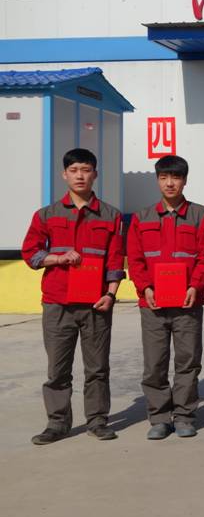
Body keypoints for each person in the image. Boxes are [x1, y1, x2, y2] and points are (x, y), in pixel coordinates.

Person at [22, 148, 125, 445]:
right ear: (64, 174)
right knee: (57, 368)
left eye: (86, 170)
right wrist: (57, 258)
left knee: (97, 368)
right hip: (58, 302)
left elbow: (115, 261)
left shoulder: (111, 215)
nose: (80, 176)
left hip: (96, 303)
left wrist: (110, 295)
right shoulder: (47, 215)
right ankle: (57, 423)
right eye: (74, 170)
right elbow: (30, 253)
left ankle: (97, 421)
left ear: (95, 174)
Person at [127, 155, 204, 440]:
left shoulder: (200, 215)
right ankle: (160, 418)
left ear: (185, 180)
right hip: (153, 304)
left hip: (188, 303)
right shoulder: (142, 217)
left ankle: (185, 416)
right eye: (164, 177)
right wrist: (145, 288)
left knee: (188, 361)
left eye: (175, 177)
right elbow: (135, 258)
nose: (170, 183)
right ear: (157, 180)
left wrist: (195, 286)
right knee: (155, 363)